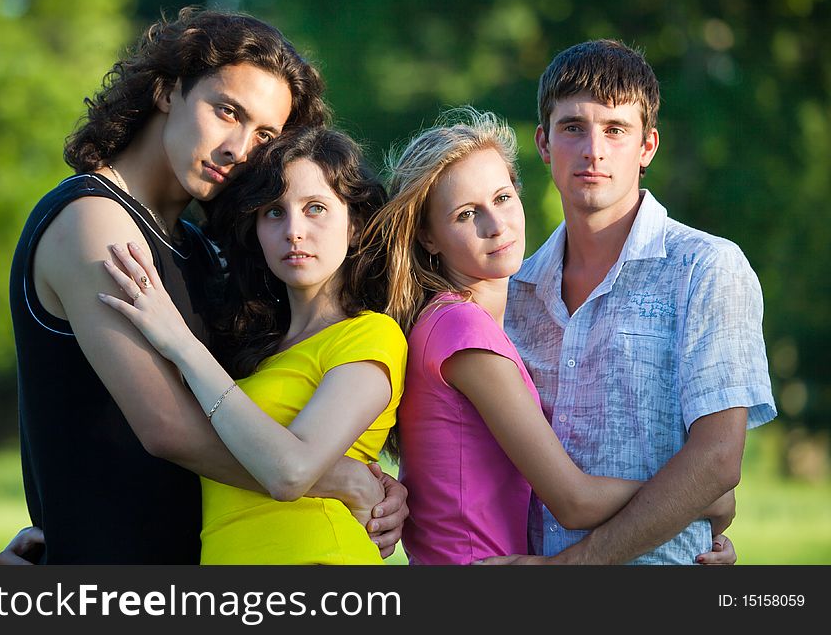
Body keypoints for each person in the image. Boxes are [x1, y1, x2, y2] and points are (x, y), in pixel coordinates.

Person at [4, 8, 406, 564]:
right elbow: (167, 426)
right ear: (168, 91)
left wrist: (372, 480)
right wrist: (337, 478)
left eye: (264, 133)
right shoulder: (93, 220)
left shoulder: (199, 248)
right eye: (226, 111)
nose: (240, 148)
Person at [366, 107, 734, 565]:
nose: (495, 225)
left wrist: (686, 533)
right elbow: (572, 500)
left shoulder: (468, 322)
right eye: (466, 214)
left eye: (502, 198)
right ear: (428, 237)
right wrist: (700, 501)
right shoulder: (462, 330)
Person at [480, 39, 776, 564]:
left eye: (616, 130)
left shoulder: (705, 268)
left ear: (648, 147)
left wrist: (570, 570)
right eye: (573, 127)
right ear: (544, 143)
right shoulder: (513, 292)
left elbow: (717, 461)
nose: (594, 149)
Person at [99, 126, 407, 564]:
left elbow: (291, 472)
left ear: (355, 225)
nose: (294, 231)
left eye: (315, 208)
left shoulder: (370, 334)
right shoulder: (247, 348)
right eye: (274, 212)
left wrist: (180, 344)